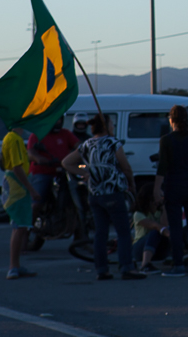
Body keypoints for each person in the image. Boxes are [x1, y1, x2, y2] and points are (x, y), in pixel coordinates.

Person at [62, 115, 145, 281]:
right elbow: (126, 167)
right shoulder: (113, 143)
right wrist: (132, 185)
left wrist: (84, 171)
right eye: (111, 124)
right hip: (113, 193)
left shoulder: (87, 145)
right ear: (106, 126)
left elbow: (67, 162)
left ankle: (102, 269)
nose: (113, 127)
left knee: (101, 233)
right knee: (123, 232)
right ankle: (127, 267)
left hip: (95, 195)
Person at [153, 104, 188, 277]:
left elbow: (162, 167)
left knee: (175, 226)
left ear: (171, 119)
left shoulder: (166, 140)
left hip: (174, 185)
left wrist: (156, 189)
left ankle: (178, 264)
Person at [26, 115, 80, 226]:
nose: (57, 122)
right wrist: (39, 158)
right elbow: (30, 152)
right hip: (43, 172)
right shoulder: (37, 135)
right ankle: (27, 229)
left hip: (64, 171)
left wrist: (84, 152)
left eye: (59, 119)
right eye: (55, 119)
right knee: (37, 202)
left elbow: (79, 146)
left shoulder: (66, 134)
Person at [0, 127, 38, 279]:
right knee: (18, 226)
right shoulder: (14, 139)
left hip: (15, 185)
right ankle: (13, 266)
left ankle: (16, 265)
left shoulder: (12, 138)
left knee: (20, 227)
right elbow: (17, 167)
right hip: (17, 187)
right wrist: (31, 189)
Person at [130, 183, 168, 274]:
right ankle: (144, 265)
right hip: (139, 249)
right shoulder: (138, 215)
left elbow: (165, 225)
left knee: (172, 230)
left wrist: (164, 207)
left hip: (156, 250)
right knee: (155, 232)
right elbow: (156, 226)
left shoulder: (160, 212)